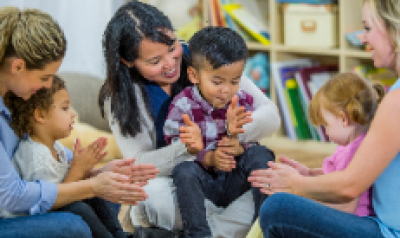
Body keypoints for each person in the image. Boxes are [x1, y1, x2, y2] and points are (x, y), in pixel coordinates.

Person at [98, 1, 280, 238]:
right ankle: (229, 229)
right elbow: (139, 165)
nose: (170, 64)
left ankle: (194, 232)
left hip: (229, 172)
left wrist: (234, 134)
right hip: (183, 182)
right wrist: (190, 149)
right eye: (155, 61)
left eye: (172, 46)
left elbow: (270, 115)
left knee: (273, 177)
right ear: (128, 61)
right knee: (152, 195)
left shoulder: (202, 56)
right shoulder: (121, 97)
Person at [0, 7, 158, 238]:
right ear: (17, 67)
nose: (47, 87)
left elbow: (50, 158)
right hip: (7, 215)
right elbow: (12, 196)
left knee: (102, 198)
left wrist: (99, 174)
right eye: (45, 77)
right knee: (73, 226)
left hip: (23, 203)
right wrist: (91, 185)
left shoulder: (16, 97)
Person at [248, 0, 400, 237]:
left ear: (395, 29)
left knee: (278, 209)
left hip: (387, 231)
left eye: (368, 28)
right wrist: (309, 176)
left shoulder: (396, 101)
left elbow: (350, 187)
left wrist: (295, 184)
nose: (362, 38)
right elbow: (360, 173)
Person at [164, 27, 275, 238]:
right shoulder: (183, 105)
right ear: (194, 75)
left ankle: (262, 227)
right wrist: (206, 155)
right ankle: (198, 234)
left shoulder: (242, 100)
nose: (226, 90)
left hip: (234, 178)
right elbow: (174, 149)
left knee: (262, 155)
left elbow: (253, 144)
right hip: (206, 182)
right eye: (217, 82)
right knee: (184, 171)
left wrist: (240, 141)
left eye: (234, 81)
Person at [3, 75, 129, 238]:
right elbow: (52, 204)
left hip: (57, 206)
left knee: (99, 195)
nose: (72, 114)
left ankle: (119, 234)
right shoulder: (34, 156)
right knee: (80, 207)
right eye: (65, 108)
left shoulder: (56, 147)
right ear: (40, 115)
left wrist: (101, 170)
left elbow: (76, 184)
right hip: (31, 218)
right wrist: (78, 170)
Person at [279, 72, 384, 217]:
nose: (326, 132)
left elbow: (346, 207)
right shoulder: (357, 144)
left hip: (353, 221)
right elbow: (336, 176)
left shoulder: (354, 153)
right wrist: (310, 174)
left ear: (343, 119)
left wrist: (304, 198)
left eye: (326, 125)